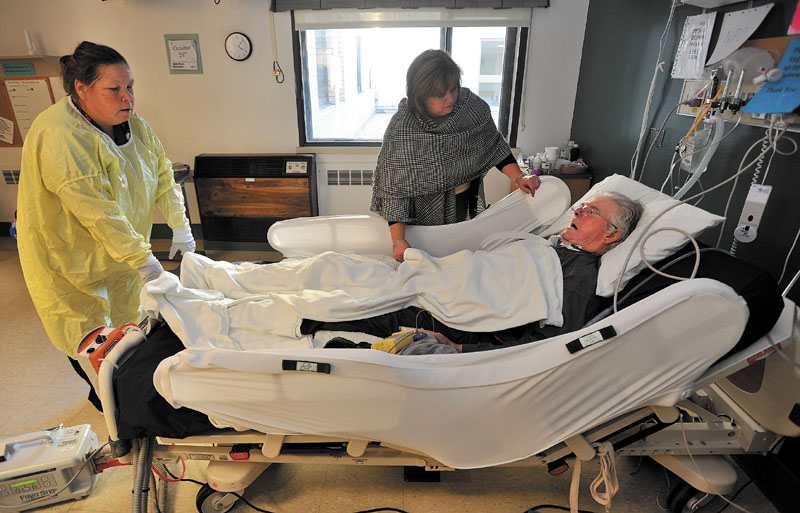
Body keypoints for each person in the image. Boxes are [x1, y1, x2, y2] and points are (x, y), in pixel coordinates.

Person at [16, 41, 194, 409]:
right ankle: (113, 409)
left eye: (130, 87)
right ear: (81, 89)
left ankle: (134, 394)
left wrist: (181, 227)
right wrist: (146, 261)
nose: (127, 97)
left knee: (132, 330)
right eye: (114, 89)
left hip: (120, 254)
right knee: (92, 340)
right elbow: (98, 211)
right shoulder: (60, 137)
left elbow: (161, 171)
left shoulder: (133, 124)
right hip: (70, 264)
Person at [303, 192, 644, 353]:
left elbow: (549, 345)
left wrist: (464, 349)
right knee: (343, 270)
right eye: (581, 206)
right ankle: (306, 297)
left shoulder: (580, 275)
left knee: (376, 307)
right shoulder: (551, 245)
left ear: (612, 234)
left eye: (591, 211)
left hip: (460, 314)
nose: (579, 210)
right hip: (447, 279)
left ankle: (303, 319)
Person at [371, 49, 542, 262]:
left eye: (453, 89)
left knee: (459, 259)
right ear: (420, 96)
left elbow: (493, 145)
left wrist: (519, 176)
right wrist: (398, 241)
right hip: (421, 215)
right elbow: (393, 190)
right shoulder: (403, 128)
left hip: (464, 202)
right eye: (441, 95)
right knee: (430, 263)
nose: (450, 98)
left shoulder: (471, 108)